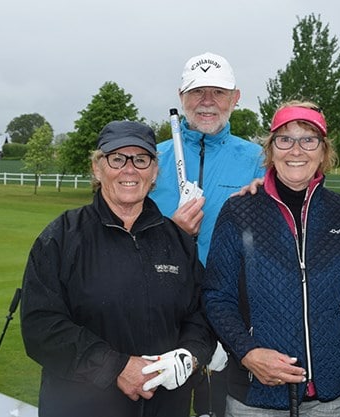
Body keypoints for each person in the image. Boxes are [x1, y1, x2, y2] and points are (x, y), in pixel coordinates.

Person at [20, 120, 215, 417]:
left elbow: (200, 315)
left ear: (153, 173)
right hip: (80, 407)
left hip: (164, 408)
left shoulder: (177, 240)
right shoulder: (61, 237)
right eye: (117, 158)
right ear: (98, 168)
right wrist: (116, 367)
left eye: (141, 159)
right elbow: (41, 327)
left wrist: (190, 355)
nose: (129, 169)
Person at [203, 101, 340, 417]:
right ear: (271, 149)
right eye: (285, 139)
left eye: (308, 139)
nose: (296, 149)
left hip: (334, 395)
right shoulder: (239, 211)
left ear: (323, 151)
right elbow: (216, 297)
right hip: (257, 396)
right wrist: (247, 353)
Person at [149, 51, 266, 417]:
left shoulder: (259, 160)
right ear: (181, 97)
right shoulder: (150, 158)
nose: (207, 102)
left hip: (231, 305)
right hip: (161, 303)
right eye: (198, 92)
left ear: (236, 98)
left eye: (218, 92)